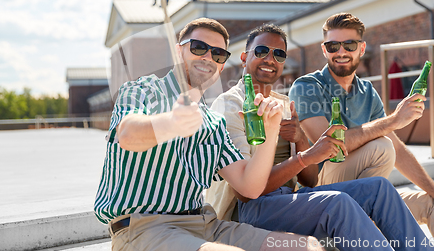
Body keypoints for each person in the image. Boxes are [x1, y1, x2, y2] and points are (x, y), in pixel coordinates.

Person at [94, 18, 326, 251]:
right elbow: (127, 134)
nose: (207, 57)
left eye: (218, 54)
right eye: (198, 47)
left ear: (223, 64)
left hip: (204, 223)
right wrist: (171, 122)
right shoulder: (142, 90)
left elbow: (249, 187)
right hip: (144, 228)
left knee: (307, 247)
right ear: (178, 52)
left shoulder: (213, 122)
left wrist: (271, 129)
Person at [205, 23, 434, 251]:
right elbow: (247, 192)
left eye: (278, 54)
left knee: (379, 189)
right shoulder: (230, 105)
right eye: (262, 51)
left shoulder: (285, 105)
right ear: (245, 58)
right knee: (338, 204)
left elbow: (310, 181)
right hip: (249, 210)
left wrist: (299, 139)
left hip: (288, 197)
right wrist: (306, 156)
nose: (270, 59)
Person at [288, 13, 434, 251]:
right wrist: (393, 120)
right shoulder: (307, 87)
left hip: (364, 194)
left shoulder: (366, 91)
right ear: (325, 50)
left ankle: (370, 218)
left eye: (349, 45)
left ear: (362, 48)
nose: (340, 52)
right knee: (381, 146)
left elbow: (398, 149)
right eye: (333, 45)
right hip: (322, 193)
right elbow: (330, 145)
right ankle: (366, 219)